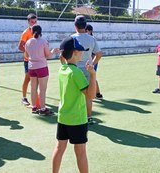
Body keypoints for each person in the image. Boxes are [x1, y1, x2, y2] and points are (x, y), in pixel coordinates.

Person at [52, 36, 96, 173]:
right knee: (81, 151)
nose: (82, 53)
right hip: (77, 119)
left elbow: (62, 60)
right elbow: (91, 95)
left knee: (59, 148)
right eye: (80, 50)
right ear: (75, 52)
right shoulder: (77, 73)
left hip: (63, 117)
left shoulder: (62, 69)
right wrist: (93, 75)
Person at [61, 15, 102, 124]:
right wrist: (92, 64)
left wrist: (64, 65)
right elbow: (99, 54)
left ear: (75, 26)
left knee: (74, 94)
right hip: (87, 69)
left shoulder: (72, 38)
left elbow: (63, 54)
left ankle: (75, 116)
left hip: (74, 70)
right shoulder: (91, 38)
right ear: (85, 26)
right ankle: (88, 117)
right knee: (89, 96)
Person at [24, 24, 60, 115]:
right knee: (42, 89)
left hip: (31, 67)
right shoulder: (43, 41)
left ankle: (34, 107)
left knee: (33, 88)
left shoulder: (28, 42)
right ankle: (43, 109)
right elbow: (48, 55)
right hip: (42, 67)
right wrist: (53, 50)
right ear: (41, 32)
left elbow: (27, 55)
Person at [18, 13, 38, 106]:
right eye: (32, 22)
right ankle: (24, 97)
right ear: (28, 22)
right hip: (28, 60)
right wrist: (28, 53)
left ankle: (36, 98)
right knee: (28, 78)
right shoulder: (25, 33)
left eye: (35, 21)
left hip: (36, 60)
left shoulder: (37, 32)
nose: (33, 23)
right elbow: (20, 47)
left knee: (37, 79)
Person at [85, 24, 103, 100]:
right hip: (89, 62)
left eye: (86, 31)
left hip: (92, 61)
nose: (85, 32)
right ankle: (97, 94)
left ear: (90, 31)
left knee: (91, 77)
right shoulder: (87, 39)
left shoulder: (91, 39)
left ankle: (97, 93)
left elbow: (96, 53)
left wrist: (92, 62)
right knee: (91, 77)